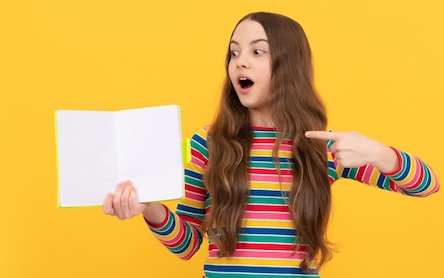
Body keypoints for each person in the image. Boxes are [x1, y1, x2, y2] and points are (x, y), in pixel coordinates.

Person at [102, 12, 439, 278]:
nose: (240, 61)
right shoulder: (208, 143)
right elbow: (188, 245)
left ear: (289, 66)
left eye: (256, 51)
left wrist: (382, 155)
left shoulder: (322, 147)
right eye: (234, 52)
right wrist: (148, 208)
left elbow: (427, 185)